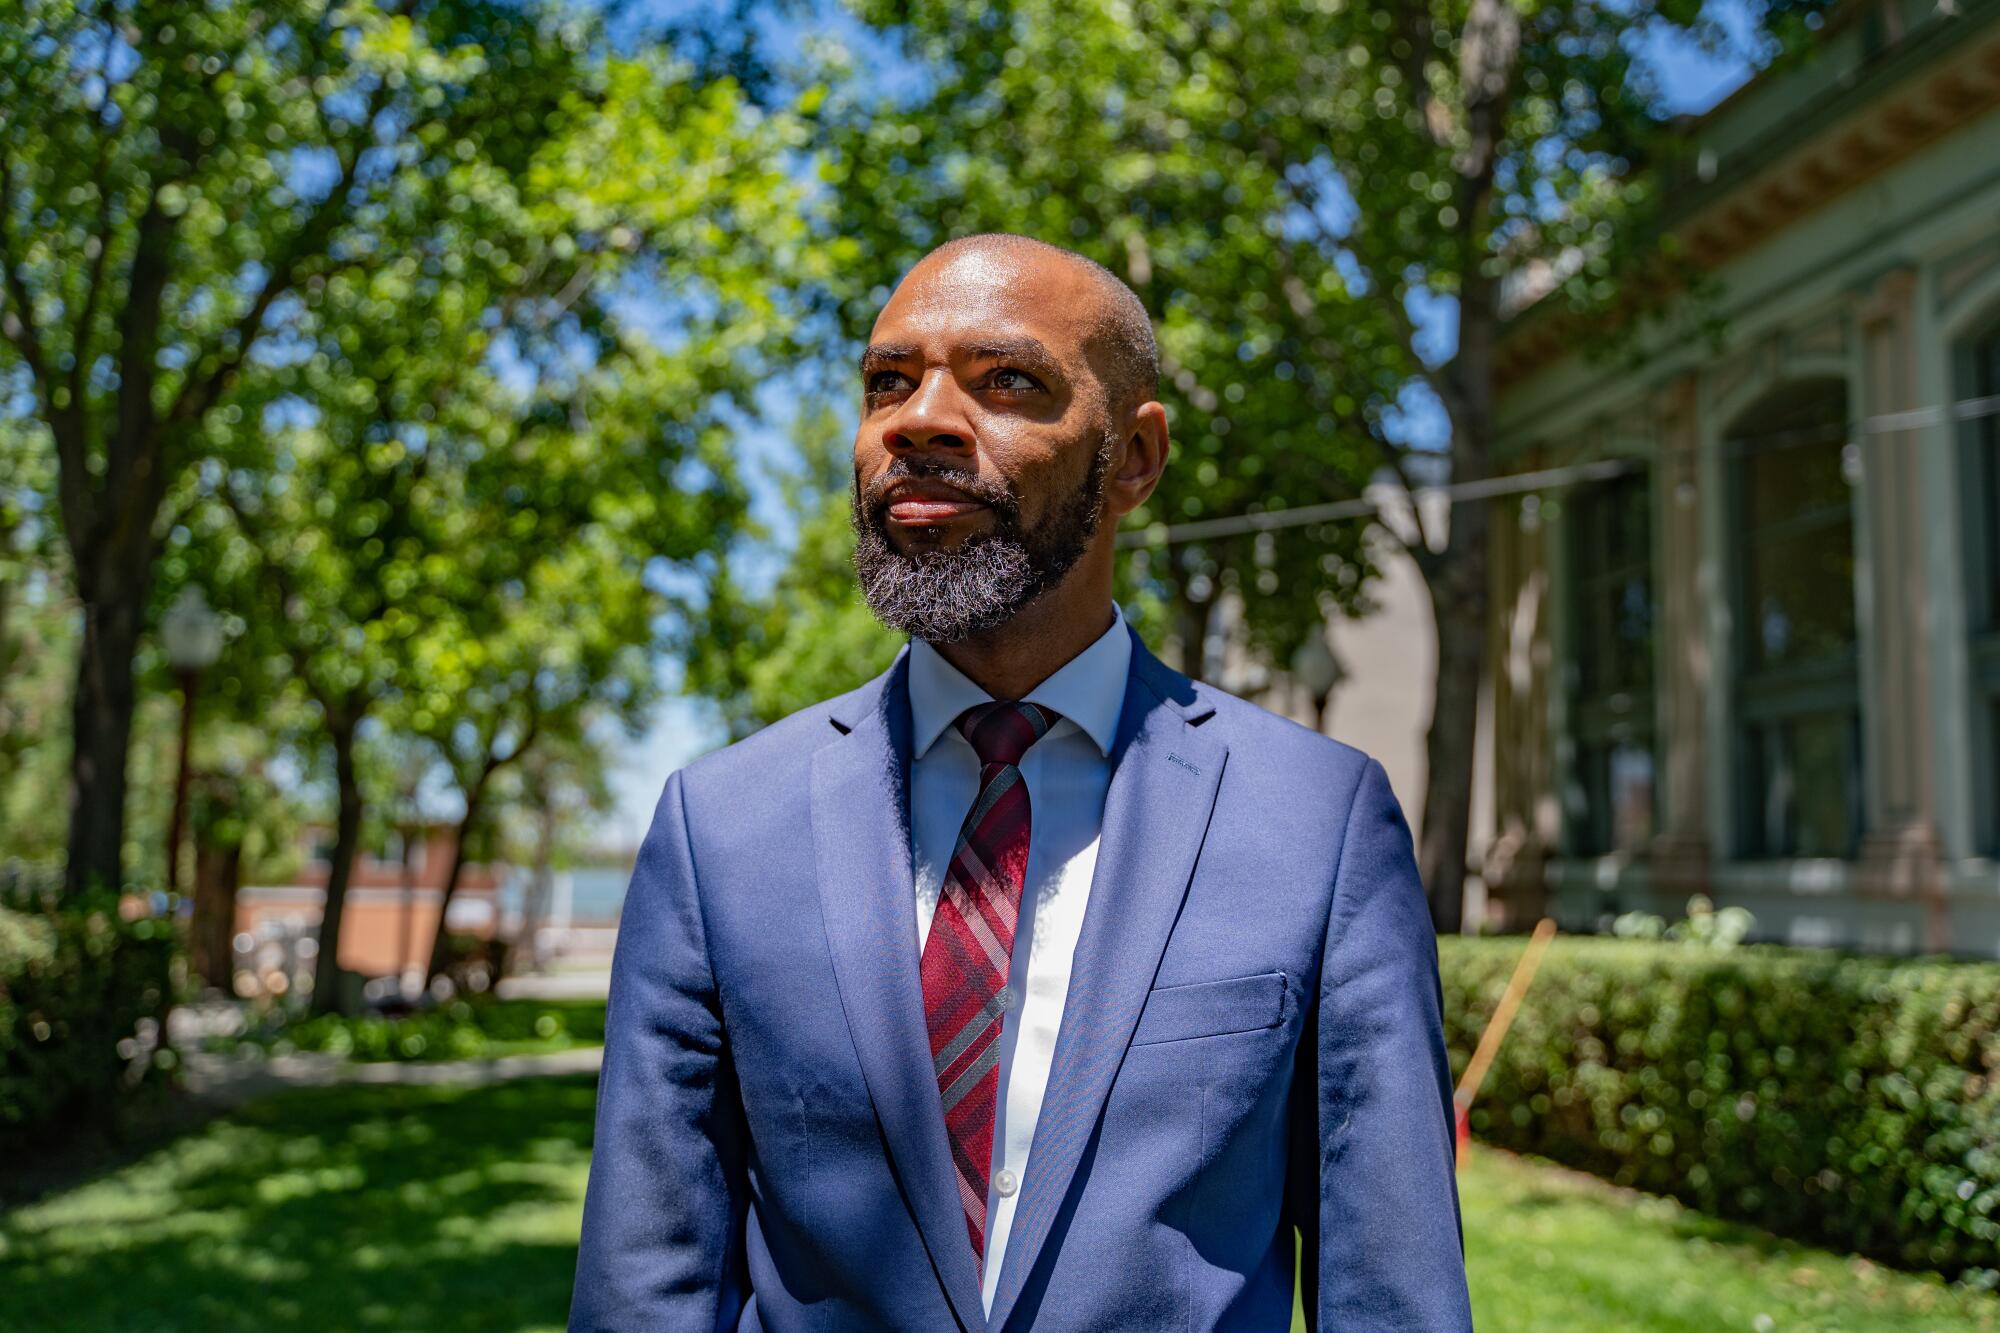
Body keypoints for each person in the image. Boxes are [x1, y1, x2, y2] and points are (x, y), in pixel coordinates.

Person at [570, 233, 1471, 1331]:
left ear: (1131, 459)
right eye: (886, 382)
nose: (918, 419)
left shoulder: (1318, 824)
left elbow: (1390, 1296)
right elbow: (642, 1292)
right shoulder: (718, 828)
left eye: (1006, 382)